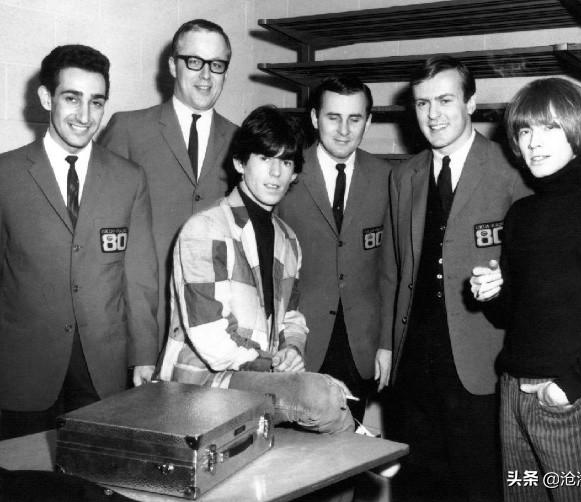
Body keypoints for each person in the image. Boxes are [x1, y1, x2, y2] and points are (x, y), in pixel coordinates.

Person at [470, 77, 581, 502]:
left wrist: (569, 387)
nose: (534, 142)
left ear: (577, 131)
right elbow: (510, 315)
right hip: (512, 393)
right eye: (525, 130)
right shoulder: (521, 213)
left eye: (550, 128)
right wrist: (491, 293)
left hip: (572, 397)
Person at [382, 55, 531, 501]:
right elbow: (393, 269)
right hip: (413, 365)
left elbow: (531, 270)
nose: (433, 115)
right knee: (414, 485)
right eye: (422, 103)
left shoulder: (510, 169)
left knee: (477, 485)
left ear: (470, 103)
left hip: (480, 362)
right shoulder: (404, 176)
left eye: (445, 100)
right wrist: (387, 345)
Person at [157, 105, 354, 434]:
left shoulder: (287, 240)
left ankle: (356, 439)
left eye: (286, 162)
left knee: (325, 397)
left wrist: (292, 349)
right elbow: (212, 341)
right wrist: (276, 367)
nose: (276, 173)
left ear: (295, 173)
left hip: (255, 380)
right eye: (265, 158)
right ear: (239, 163)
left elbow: (291, 317)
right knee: (320, 395)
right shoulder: (204, 229)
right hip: (201, 386)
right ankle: (358, 435)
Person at [0, 45, 158, 439]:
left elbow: (139, 277)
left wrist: (143, 355)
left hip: (102, 369)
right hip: (22, 368)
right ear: (46, 98)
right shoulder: (6, 174)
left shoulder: (129, 178)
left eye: (96, 102)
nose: (85, 116)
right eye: (72, 98)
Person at [100, 19, 238, 345]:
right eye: (194, 62)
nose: (206, 75)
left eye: (216, 65)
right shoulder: (128, 129)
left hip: (216, 325)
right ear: (173, 66)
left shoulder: (241, 140)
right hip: (142, 320)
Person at [277, 76, 392, 425]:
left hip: (361, 347)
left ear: (368, 122)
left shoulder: (388, 178)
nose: (343, 130)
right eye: (333, 117)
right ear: (314, 118)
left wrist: (386, 344)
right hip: (297, 343)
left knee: (349, 446)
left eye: (354, 119)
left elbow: (392, 271)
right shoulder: (285, 171)